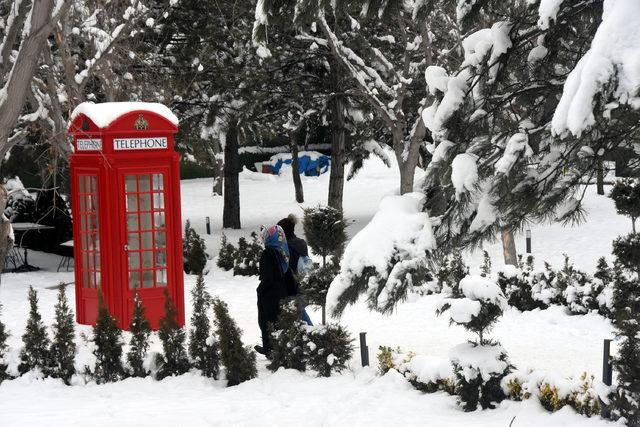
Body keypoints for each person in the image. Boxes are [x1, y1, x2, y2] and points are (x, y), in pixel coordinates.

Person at [255, 225, 289, 355]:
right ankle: (277, 348)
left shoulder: (267, 253)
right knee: (276, 321)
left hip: (269, 293)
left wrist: (260, 289)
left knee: (266, 321)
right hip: (280, 291)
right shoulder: (280, 251)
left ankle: (269, 349)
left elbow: (268, 277)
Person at [277, 215, 313, 326]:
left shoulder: (285, 248)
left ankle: (312, 333)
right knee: (299, 311)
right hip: (304, 283)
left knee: (298, 312)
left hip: (292, 286)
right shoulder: (301, 243)